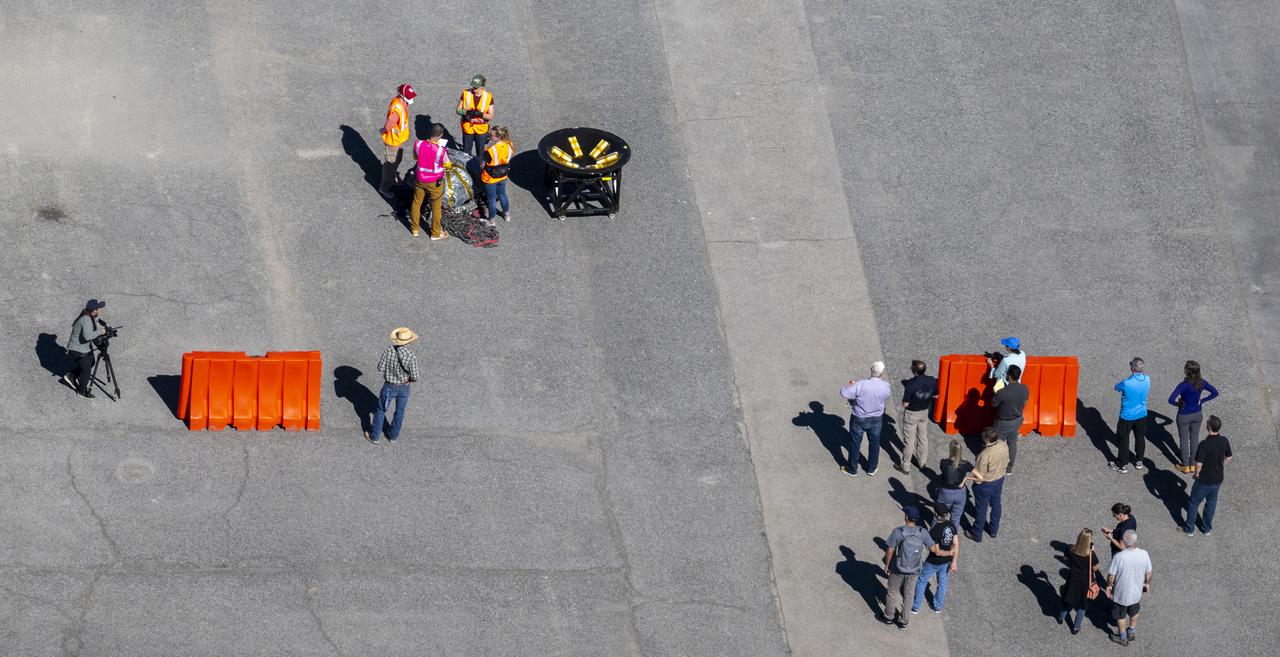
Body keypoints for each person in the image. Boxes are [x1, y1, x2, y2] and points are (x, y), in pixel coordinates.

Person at [365, 328, 422, 444]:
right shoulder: (411, 356)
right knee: (400, 411)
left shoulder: (388, 351)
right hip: (404, 387)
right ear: (409, 341)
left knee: (381, 410)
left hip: (389, 386)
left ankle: (375, 437)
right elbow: (415, 376)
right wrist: (408, 380)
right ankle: (393, 436)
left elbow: (380, 368)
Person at [882, 506, 934, 628]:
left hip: (898, 568)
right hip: (914, 569)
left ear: (906, 517)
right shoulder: (923, 532)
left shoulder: (898, 531)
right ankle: (903, 621)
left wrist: (887, 565)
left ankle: (889, 617)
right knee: (909, 594)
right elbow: (932, 548)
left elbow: (890, 551)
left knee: (892, 592)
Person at [840, 361, 892, 477]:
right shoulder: (886, 386)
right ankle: (871, 468)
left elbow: (844, 393)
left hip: (859, 418)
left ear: (871, 370)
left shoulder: (861, 384)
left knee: (855, 443)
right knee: (874, 443)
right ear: (882, 373)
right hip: (877, 418)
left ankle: (852, 469)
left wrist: (851, 386)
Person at [1168, 361, 1219, 473]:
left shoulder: (1183, 385)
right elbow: (1215, 392)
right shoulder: (1202, 383)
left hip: (1184, 415)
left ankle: (1185, 466)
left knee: (1184, 440)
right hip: (1197, 414)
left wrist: (1179, 404)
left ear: (1187, 371)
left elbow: (1171, 400)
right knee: (1195, 439)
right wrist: (1202, 401)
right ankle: (1192, 465)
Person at [1184, 415, 1232, 536]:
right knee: (1211, 503)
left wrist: (1196, 474)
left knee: (1193, 503)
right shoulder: (1224, 440)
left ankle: (1189, 529)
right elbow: (1229, 457)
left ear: (1209, 427)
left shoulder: (1204, 444)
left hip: (1204, 480)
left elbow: (1199, 463)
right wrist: (1220, 465)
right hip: (1217, 479)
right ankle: (1206, 529)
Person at [1105, 530, 1152, 646]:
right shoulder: (1144, 554)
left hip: (1122, 594)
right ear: (1135, 540)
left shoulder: (1119, 557)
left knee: (1120, 616)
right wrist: (1146, 583)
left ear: (1124, 542)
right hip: (1136, 593)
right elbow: (1149, 573)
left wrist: (1109, 586)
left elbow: (1111, 576)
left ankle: (1123, 638)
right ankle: (1131, 632)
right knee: (1134, 611)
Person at [911, 502, 959, 614]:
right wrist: (954, 561)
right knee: (942, 582)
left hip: (933, 561)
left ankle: (916, 606)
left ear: (935, 514)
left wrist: (948, 553)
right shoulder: (951, 525)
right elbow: (956, 543)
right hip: (946, 562)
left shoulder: (935, 531)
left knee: (922, 580)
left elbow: (936, 551)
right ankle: (938, 606)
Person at [963, 427, 1008, 543]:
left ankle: (977, 533)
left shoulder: (984, 455)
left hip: (985, 484)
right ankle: (993, 530)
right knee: (996, 504)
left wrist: (971, 481)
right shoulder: (1003, 445)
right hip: (999, 479)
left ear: (987, 439)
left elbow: (979, 476)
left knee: (981, 509)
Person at [410, 124, 453, 240]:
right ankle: (435, 233)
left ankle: (414, 229)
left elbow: (415, 157)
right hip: (435, 183)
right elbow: (448, 164)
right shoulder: (441, 151)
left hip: (420, 179)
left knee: (416, 203)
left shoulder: (418, 144)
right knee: (436, 208)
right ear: (441, 135)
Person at [895, 360, 937, 475]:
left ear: (914, 371)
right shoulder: (932, 380)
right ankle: (922, 463)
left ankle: (905, 466)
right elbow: (936, 395)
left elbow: (905, 404)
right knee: (923, 438)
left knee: (909, 441)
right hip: (924, 412)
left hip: (912, 414)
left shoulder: (910, 385)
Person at [1109, 357, 1151, 474]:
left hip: (1127, 416)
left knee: (1123, 440)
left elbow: (1116, 387)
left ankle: (1122, 464)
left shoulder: (1127, 383)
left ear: (1132, 368)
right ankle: (1139, 461)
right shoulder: (1147, 379)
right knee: (1140, 438)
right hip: (1142, 414)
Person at [1057, 528, 1101, 635]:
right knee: (1082, 605)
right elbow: (1095, 569)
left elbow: (1065, 558)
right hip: (1085, 583)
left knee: (1067, 600)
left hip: (1072, 580)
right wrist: (1093, 551)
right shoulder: (1091, 554)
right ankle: (1076, 627)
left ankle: (1061, 618)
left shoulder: (1070, 548)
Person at [64, 299, 106, 398]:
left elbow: (90, 335)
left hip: (84, 347)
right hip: (77, 349)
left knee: (90, 362)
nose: (100, 310)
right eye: (99, 308)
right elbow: (88, 336)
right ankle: (81, 391)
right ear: (94, 311)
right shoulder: (86, 319)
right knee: (86, 370)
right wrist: (101, 332)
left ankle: (71, 376)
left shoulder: (90, 317)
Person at [379, 83, 416, 198]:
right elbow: (389, 126)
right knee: (390, 165)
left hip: (399, 140)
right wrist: (383, 131)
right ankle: (385, 187)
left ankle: (391, 179)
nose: (411, 99)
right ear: (402, 95)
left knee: (397, 160)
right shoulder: (396, 109)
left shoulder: (403, 103)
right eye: (409, 97)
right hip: (393, 141)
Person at [991, 364, 1028, 474]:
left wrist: (996, 392)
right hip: (1018, 420)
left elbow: (993, 403)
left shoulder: (1002, 392)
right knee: (1012, 444)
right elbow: (1025, 403)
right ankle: (1009, 467)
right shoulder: (1025, 388)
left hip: (1003, 422)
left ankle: (995, 466)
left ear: (1009, 376)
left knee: (996, 444)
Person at [480, 125, 514, 225]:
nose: (489, 136)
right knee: (502, 194)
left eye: (491, 135)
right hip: (503, 175)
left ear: (497, 137)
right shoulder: (509, 145)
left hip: (490, 178)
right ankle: (507, 215)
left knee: (491, 199)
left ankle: (491, 220)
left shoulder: (490, 150)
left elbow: (482, 165)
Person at [936, 439, 972, 532]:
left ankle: (934, 534)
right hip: (960, 493)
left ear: (950, 450)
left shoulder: (943, 462)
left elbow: (947, 473)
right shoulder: (966, 464)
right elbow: (980, 477)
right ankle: (952, 536)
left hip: (946, 492)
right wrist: (965, 479)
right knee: (956, 517)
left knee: (939, 514)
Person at [456, 74, 494, 158]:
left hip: (481, 129)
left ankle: (478, 166)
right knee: (466, 152)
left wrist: (480, 114)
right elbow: (458, 110)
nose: (473, 88)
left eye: (476, 87)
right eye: (473, 86)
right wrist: (466, 112)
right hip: (468, 127)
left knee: (480, 153)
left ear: (482, 87)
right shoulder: (466, 93)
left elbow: (491, 116)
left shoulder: (488, 97)